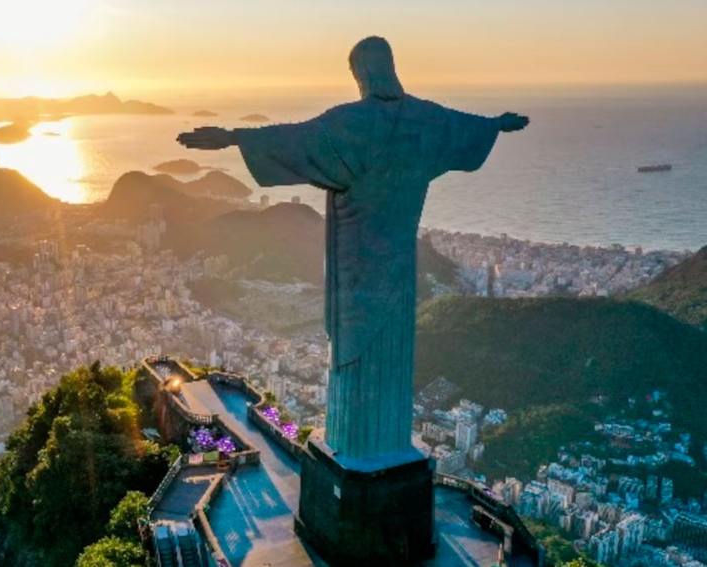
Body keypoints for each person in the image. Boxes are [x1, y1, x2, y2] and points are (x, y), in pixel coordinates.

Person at [177, 36, 528, 462]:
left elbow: (297, 139)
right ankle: (388, 448)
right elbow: (464, 127)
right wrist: (497, 124)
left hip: (356, 266)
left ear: (362, 72)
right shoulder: (427, 119)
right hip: (400, 267)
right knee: (393, 348)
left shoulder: (350, 123)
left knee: (353, 348)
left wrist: (234, 137)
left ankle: (355, 449)